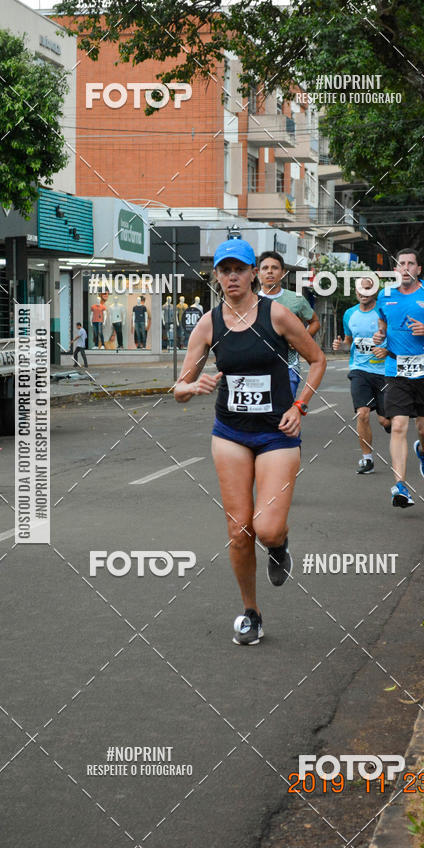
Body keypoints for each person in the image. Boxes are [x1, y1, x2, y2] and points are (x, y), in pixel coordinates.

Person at [174, 238, 326, 645]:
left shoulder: (276, 315)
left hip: (277, 433)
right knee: (239, 529)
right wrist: (192, 386)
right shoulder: (209, 324)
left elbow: (317, 360)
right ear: (217, 277)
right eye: (224, 271)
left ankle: (279, 546)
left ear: (254, 272)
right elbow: (179, 386)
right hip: (230, 433)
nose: (232, 277)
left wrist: (300, 406)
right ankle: (251, 611)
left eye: (239, 269)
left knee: (267, 528)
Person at [373, 248, 424, 508]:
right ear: (395, 269)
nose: (405, 267)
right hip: (396, 369)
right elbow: (383, 324)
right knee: (398, 426)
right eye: (401, 263)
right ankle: (400, 486)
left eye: (410, 263)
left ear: (418, 269)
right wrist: (380, 336)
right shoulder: (385, 295)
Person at [332, 277, 391, 474]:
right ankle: (367, 459)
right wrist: (341, 346)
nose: (363, 292)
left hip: (384, 372)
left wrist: (387, 351)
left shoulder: (383, 312)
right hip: (359, 370)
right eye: (360, 288)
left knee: (385, 421)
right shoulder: (349, 314)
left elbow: (397, 339)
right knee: (362, 413)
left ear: (374, 291)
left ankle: (390, 423)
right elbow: (349, 341)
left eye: (368, 288)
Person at [257, 250, 320, 397]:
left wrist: (302, 338)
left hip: (288, 368)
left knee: (283, 416)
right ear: (257, 273)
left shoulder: (296, 299)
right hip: (257, 369)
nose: (270, 272)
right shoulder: (250, 301)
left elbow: (315, 322)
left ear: (283, 272)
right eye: (265, 268)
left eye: (275, 268)